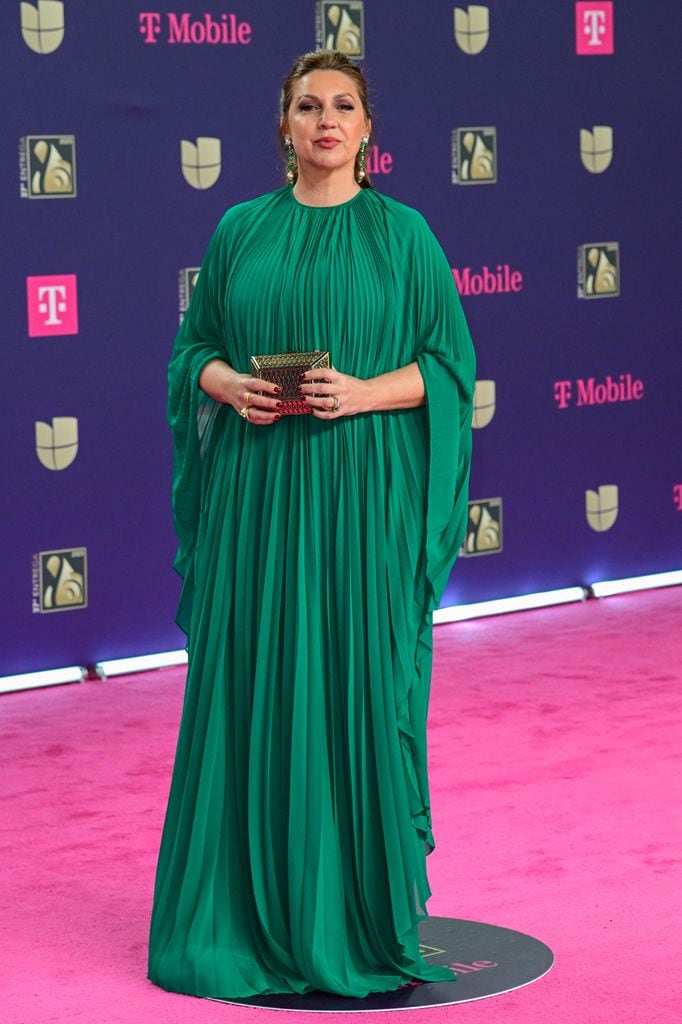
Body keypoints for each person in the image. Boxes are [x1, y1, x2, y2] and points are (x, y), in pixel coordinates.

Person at [147, 49, 475, 1000]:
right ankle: (246, 918)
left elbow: (449, 370)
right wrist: (228, 382)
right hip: (259, 500)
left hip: (362, 501)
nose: (325, 120)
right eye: (307, 106)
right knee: (257, 682)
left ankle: (353, 917)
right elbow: (194, 348)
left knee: (357, 685)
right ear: (283, 125)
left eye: (343, 106)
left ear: (369, 131)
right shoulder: (241, 229)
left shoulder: (405, 237)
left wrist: (367, 390)